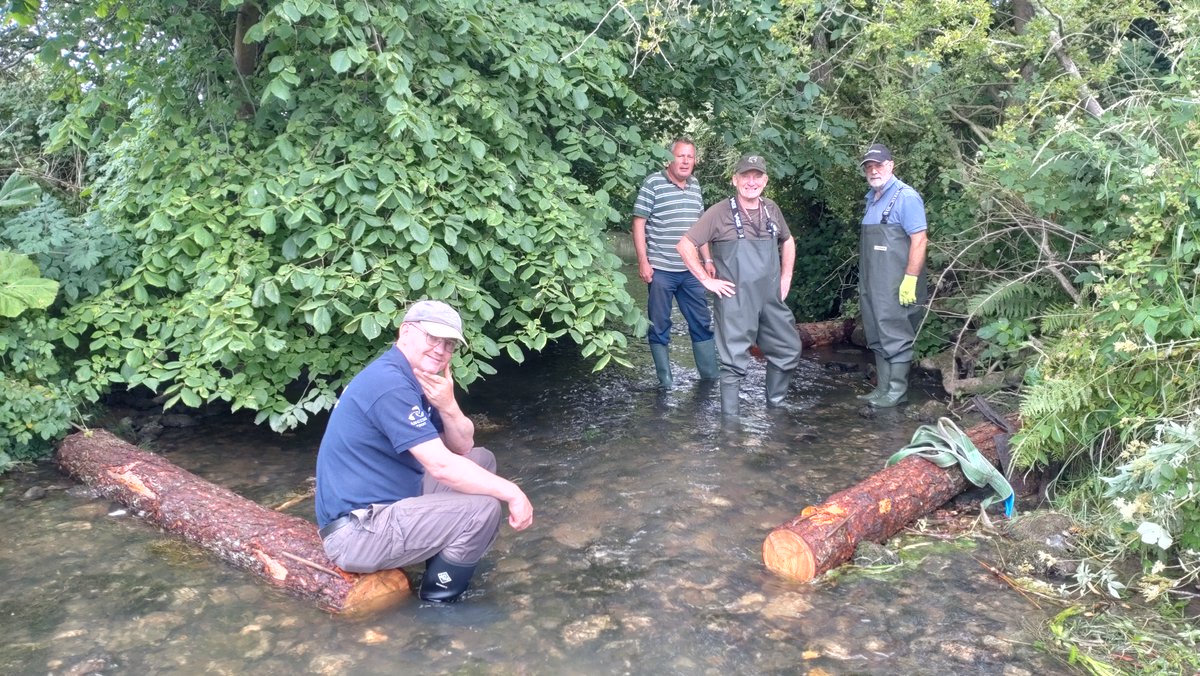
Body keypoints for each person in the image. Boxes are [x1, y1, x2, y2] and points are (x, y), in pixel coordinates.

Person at [314, 300, 534, 603]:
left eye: (449, 345)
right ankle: (438, 601)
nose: (440, 350)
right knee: (483, 509)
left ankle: (439, 553)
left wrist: (448, 405)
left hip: (387, 505)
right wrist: (514, 493)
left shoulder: (414, 378)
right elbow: (442, 466)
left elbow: (462, 447)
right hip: (355, 533)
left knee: (481, 460)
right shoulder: (389, 384)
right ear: (406, 331)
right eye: (433, 338)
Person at [676, 154, 803, 416]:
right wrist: (706, 280)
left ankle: (775, 408)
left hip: (770, 298)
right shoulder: (719, 212)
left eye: (757, 176)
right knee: (733, 363)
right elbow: (685, 245)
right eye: (746, 176)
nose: (751, 182)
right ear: (735, 180)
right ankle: (730, 426)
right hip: (735, 299)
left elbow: (788, 241)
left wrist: (786, 277)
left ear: (765, 181)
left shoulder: (772, 209)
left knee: (788, 349)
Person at [632, 137, 720, 388]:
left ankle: (710, 379)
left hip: (691, 271)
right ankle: (666, 382)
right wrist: (643, 261)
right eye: (680, 156)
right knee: (659, 325)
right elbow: (639, 223)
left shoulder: (695, 186)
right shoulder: (653, 183)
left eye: (689, 157)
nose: (685, 161)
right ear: (670, 159)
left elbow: (699, 228)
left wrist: (707, 259)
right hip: (661, 269)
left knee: (702, 322)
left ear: (695, 161)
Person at [855, 143, 928, 408]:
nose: (874, 171)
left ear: (891, 165)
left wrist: (910, 278)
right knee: (875, 331)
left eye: (879, 165)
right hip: (872, 283)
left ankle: (897, 392)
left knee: (895, 333)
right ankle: (882, 389)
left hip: (898, 282)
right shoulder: (871, 199)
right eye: (869, 167)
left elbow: (919, 240)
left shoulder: (906, 197)